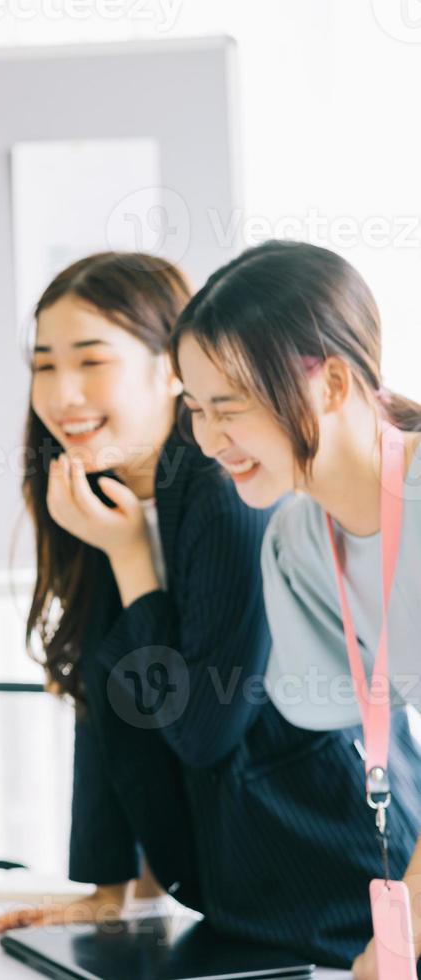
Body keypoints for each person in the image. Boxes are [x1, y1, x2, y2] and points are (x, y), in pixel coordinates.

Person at [0, 251, 421, 968]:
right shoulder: (120, 494)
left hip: (336, 871)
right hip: (256, 891)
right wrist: (108, 885)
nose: (63, 394)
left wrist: (132, 563)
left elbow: (206, 726)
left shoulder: (233, 494)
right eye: (43, 365)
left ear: (165, 370)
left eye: (91, 361)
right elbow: (111, 696)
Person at [173, 240, 421, 978]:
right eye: (194, 411)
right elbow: (325, 705)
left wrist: (400, 937)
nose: (210, 440)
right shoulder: (297, 538)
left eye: (231, 407)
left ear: (334, 382)